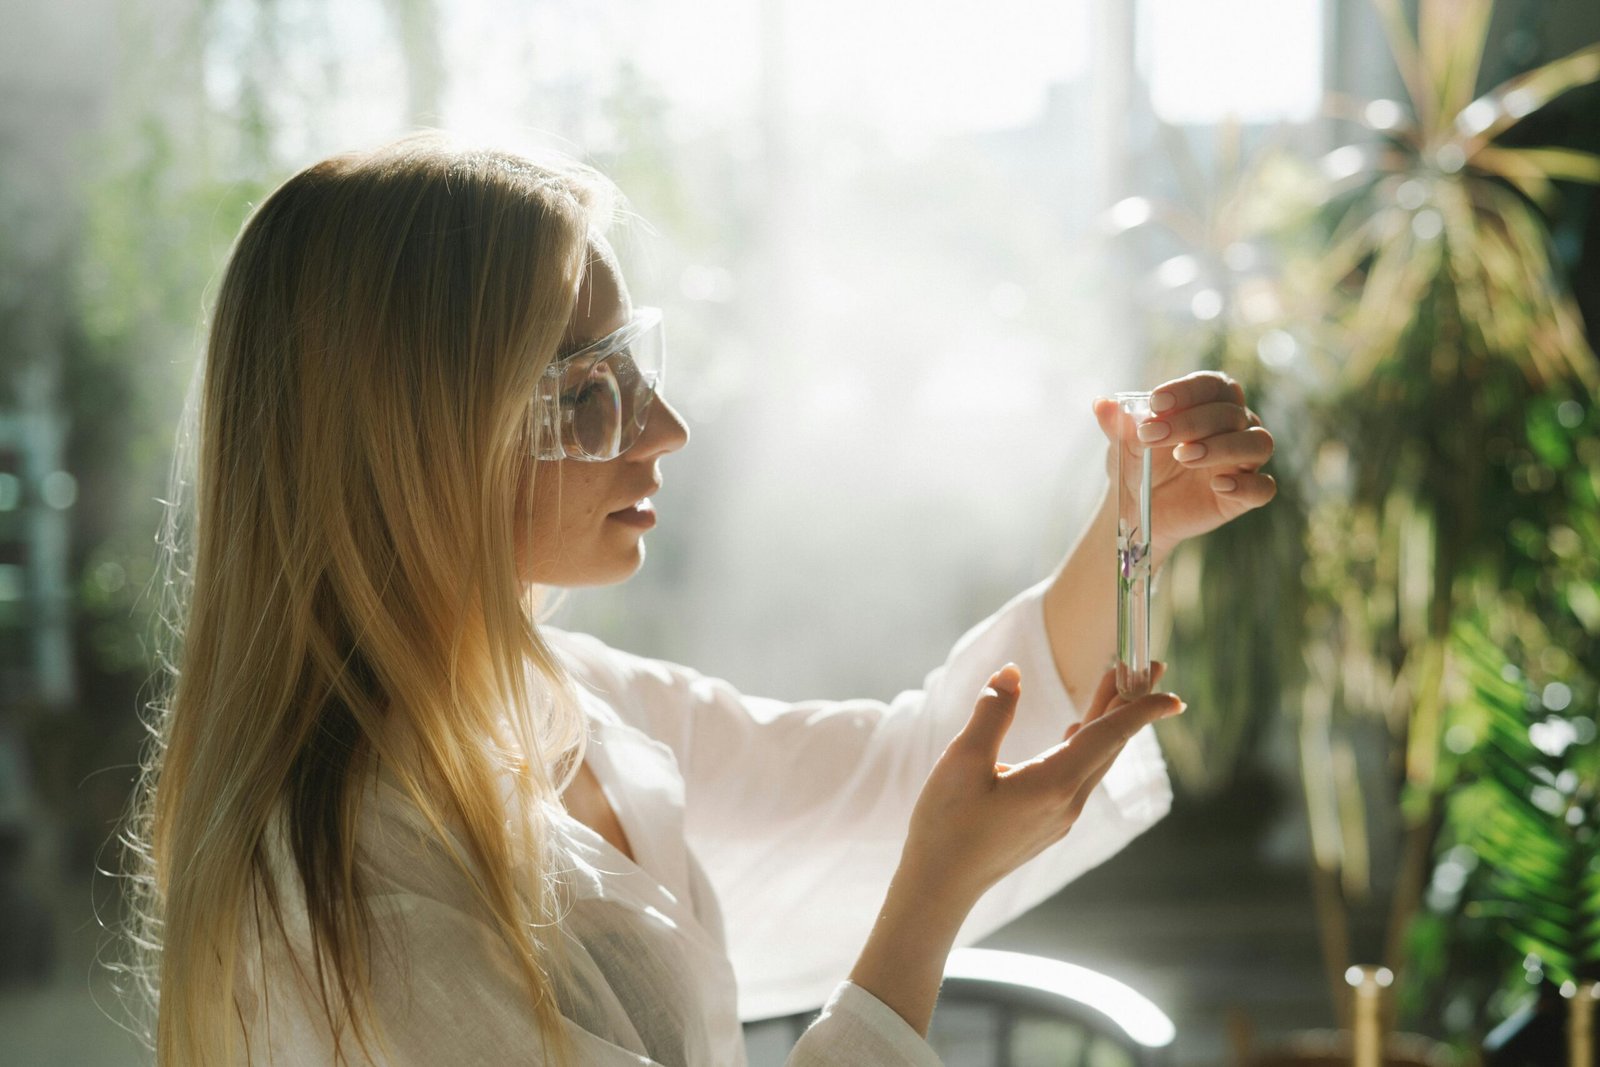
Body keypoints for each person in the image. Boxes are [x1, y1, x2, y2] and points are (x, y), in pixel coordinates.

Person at [119, 132, 1276, 1065]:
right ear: (413, 442)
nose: (664, 430)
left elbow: (894, 779)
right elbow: (915, 833)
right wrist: (929, 898)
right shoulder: (356, 899)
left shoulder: (555, 704)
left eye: (639, 366)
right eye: (588, 391)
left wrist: (1134, 523)